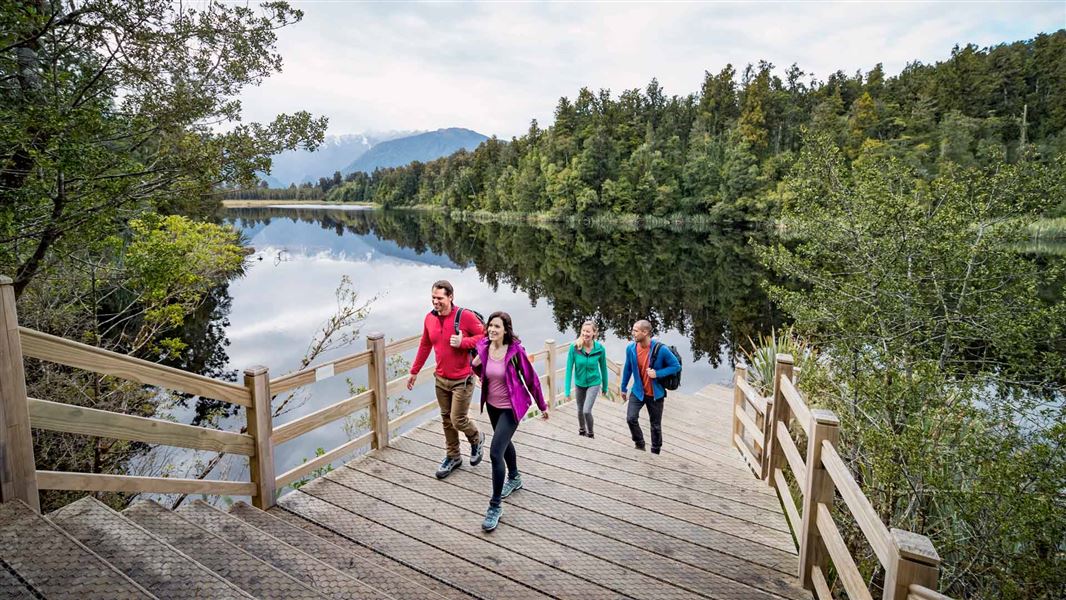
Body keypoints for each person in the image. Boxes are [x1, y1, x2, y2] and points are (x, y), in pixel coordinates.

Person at [471, 311, 549, 532]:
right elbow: (476, 365)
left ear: (506, 329)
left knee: (496, 452)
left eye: (497, 326)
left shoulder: (515, 352)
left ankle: (495, 506)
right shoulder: (485, 346)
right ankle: (514, 477)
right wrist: (477, 366)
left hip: (512, 408)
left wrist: (542, 406)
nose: (492, 330)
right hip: (493, 406)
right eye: (490, 326)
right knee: (503, 444)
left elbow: (532, 380)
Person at [408, 280, 485, 479]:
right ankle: (453, 456)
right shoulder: (429, 319)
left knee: (457, 418)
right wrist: (414, 371)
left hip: (463, 378)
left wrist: (463, 342)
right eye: (433, 298)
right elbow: (425, 345)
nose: (435, 302)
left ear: (450, 297)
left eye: (440, 298)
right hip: (441, 378)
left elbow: (485, 337)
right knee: (446, 419)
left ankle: (476, 438)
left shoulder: (464, 316)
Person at [620, 320, 680, 454]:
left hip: (655, 394)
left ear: (645, 332)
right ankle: (639, 443)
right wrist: (623, 388)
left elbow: (676, 366)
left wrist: (657, 373)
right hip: (638, 391)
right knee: (631, 418)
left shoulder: (661, 349)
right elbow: (627, 369)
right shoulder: (631, 348)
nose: (633, 333)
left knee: (656, 426)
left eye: (636, 330)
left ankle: (655, 451)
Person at [564, 320, 608, 438]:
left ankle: (590, 433)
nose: (585, 334)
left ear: (594, 333)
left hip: (594, 383)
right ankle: (582, 430)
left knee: (586, 410)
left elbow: (603, 368)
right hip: (579, 383)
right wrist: (567, 391)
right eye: (583, 331)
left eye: (588, 331)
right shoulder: (575, 348)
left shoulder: (600, 349)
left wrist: (605, 386)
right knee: (579, 410)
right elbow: (569, 369)